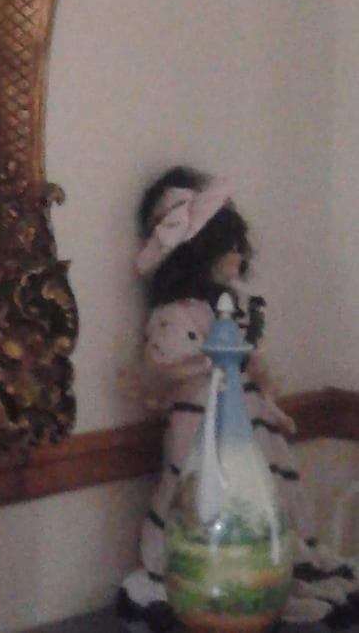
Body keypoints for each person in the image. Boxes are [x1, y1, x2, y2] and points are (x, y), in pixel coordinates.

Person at [117, 167, 358, 629]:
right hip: (200, 417)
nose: (238, 256)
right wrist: (214, 363)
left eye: (238, 247)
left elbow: (254, 367)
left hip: (247, 415)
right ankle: (199, 572)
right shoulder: (176, 315)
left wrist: (269, 402)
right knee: (198, 491)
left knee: (259, 492)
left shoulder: (234, 307)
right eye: (228, 246)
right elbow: (162, 370)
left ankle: (258, 571)